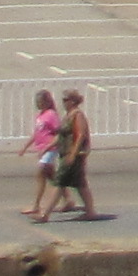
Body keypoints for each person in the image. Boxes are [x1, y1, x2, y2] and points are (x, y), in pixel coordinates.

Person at [48, 88, 94, 221]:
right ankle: (90, 211)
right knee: (80, 184)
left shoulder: (77, 115)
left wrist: (73, 154)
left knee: (59, 182)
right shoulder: (68, 115)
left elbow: (81, 135)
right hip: (65, 153)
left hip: (73, 154)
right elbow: (62, 135)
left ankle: (45, 214)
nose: (63, 102)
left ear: (73, 101)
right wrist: (48, 147)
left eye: (65, 100)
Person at [21, 90, 64, 223]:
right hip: (42, 149)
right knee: (53, 177)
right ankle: (68, 199)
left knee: (41, 172)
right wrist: (25, 147)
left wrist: (47, 147)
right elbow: (37, 133)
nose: (38, 105)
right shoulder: (40, 115)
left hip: (50, 148)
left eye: (40, 102)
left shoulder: (51, 115)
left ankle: (36, 205)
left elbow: (59, 133)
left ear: (47, 102)